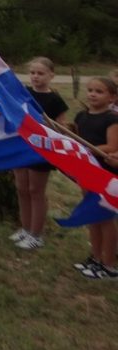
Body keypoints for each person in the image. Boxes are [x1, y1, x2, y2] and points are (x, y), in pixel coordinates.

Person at [10, 57, 68, 250]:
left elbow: (62, 127)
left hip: (41, 149)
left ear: (51, 75)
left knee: (36, 190)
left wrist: (48, 128)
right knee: (21, 188)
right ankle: (25, 228)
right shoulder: (25, 94)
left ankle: (37, 234)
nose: (35, 76)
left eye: (40, 73)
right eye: (33, 72)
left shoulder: (55, 100)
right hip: (21, 145)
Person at [71, 76, 118, 279]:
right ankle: (96, 258)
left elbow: (112, 146)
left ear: (112, 97)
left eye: (99, 91)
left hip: (105, 173)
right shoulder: (81, 116)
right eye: (90, 90)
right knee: (92, 215)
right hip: (86, 171)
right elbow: (76, 137)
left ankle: (109, 265)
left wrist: (87, 149)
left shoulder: (112, 119)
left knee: (105, 218)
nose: (92, 94)